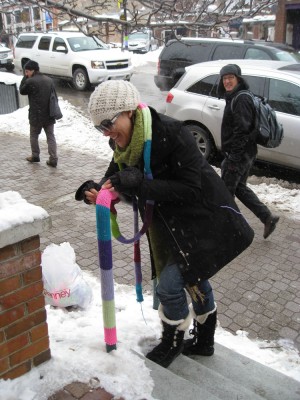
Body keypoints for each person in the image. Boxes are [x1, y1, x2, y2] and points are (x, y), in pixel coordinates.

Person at [75, 80, 254, 368]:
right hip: (172, 225)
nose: (106, 132)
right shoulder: (123, 144)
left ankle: (172, 342)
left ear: (130, 112)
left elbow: (190, 189)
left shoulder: (172, 133)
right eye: (100, 128)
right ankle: (205, 341)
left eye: (109, 123)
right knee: (193, 277)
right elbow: (115, 175)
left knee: (170, 286)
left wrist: (140, 184)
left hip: (205, 221)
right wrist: (97, 189)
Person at [217, 64, 279, 239]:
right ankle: (267, 218)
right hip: (246, 153)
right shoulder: (235, 97)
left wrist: (234, 158)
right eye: (224, 78)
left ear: (238, 79)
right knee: (240, 188)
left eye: (231, 77)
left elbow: (242, 130)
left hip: (239, 155)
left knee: (225, 194)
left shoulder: (241, 99)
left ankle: (229, 231)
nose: (227, 81)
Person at [20, 60, 58, 168]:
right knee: (50, 136)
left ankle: (35, 155)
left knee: (34, 135)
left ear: (33, 70)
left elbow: (22, 91)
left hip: (36, 115)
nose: (26, 73)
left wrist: (25, 78)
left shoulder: (30, 81)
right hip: (49, 113)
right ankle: (53, 158)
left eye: (27, 71)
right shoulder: (49, 80)